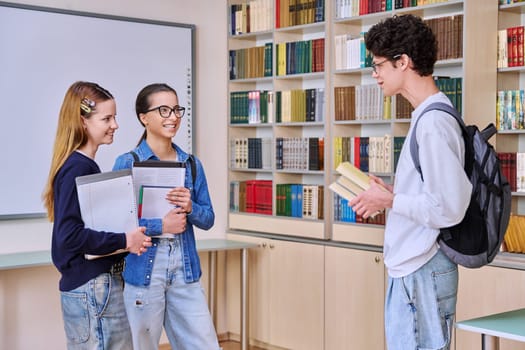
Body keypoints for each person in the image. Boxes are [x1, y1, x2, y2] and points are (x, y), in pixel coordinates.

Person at [348, 15, 472, 350]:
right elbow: (433, 196)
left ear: (403, 62)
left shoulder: (432, 123)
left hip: (423, 267)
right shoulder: (427, 117)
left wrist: (389, 202)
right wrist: (390, 194)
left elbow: (448, 208)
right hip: (417, 268)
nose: (375, 75)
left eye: (379, 66)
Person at [42, 81, 152, 349]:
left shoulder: (81, 166)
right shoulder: (77, 168)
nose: (115, 124)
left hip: (92, 286)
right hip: (93, 287)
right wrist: (125, 241)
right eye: (107, 118)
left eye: (114, 117)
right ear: (83, 122)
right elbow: (69, 237)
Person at [113, 83, 220, 350]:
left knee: (205, 345)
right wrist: (162, 225)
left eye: (176, 109)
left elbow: (208, 219)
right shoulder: (127, 162)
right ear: (143, 117)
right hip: (143, 272)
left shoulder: (191, 163)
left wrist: (191, 207)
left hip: (185, 272)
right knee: (142, 346)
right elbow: (117, 226)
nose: (173, 117)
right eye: (163, 110)